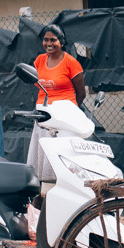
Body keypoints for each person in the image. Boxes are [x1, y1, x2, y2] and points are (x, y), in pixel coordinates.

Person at [27, 24, 85, 182]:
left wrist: (67, 112)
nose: (48, 43)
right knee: (43, 159)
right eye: (45, 40)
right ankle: (44, 190)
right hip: (43, 117)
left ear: (62, 41)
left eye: (53, 40)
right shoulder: (39, 60)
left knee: (61, 160)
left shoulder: (71, 62)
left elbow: (81, 93)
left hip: (62, 120)